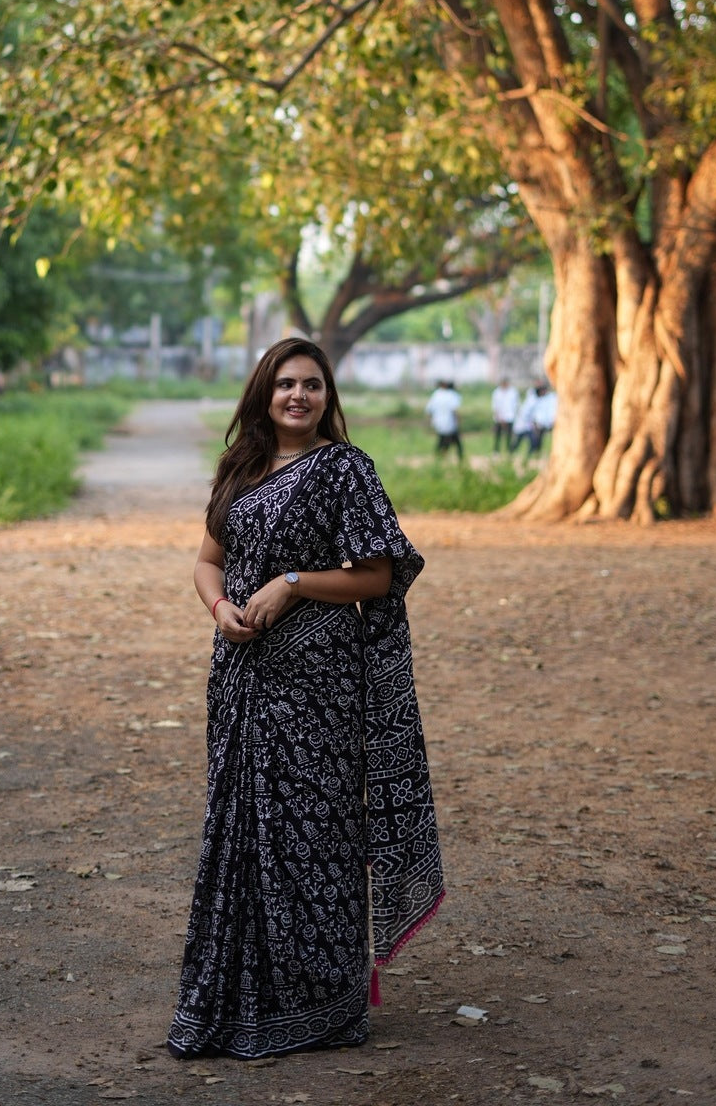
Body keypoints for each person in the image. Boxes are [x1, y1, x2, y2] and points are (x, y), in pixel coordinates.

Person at [168, 338, 444, 1060]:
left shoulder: (346, 469)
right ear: (264, 391)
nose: (298, 396)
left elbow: (378, 576)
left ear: (327, 396)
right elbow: (205, 562)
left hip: (317, 683)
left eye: (312, 385)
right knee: (240, 831)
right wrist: (219, 606)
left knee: (313, 833)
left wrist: (290, 583)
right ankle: (232, 995)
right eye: (285, 383)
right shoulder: (241, 468)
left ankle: (320, 1002)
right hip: (238, 676)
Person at [424, 378, 462, 458]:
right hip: (449, 422)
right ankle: (459, 456)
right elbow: (454, 410)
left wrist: (430, 421)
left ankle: (439, 456)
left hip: (439, 422)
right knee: (452, 440)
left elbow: (429, 409)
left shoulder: (436, 395)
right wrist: (457, 420)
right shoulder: (451, 395)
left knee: (443, 439)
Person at [509, 384, 541, 454]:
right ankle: (511, 451)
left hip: (526, 425)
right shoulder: (532, 401)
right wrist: (533, 423)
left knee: (532, 440)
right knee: (520, 440)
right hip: (524, 424)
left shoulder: (532, 400)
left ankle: (530, 453)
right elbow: (526, 414)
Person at [490, 377, 519, 451]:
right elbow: (495, 406)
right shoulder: (497, 392)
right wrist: (499, 417)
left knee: (509, 435)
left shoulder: (513, 392)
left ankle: (508, 449)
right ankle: (496, 450)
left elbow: (515, 405)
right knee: (497, 435)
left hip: (510, 417)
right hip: (499, 418)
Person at [533, 383, 557, 449]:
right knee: (539, 439)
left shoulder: (552, 397)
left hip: (551, 421)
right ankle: (537, 451)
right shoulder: (539, 399)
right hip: (541, 423)